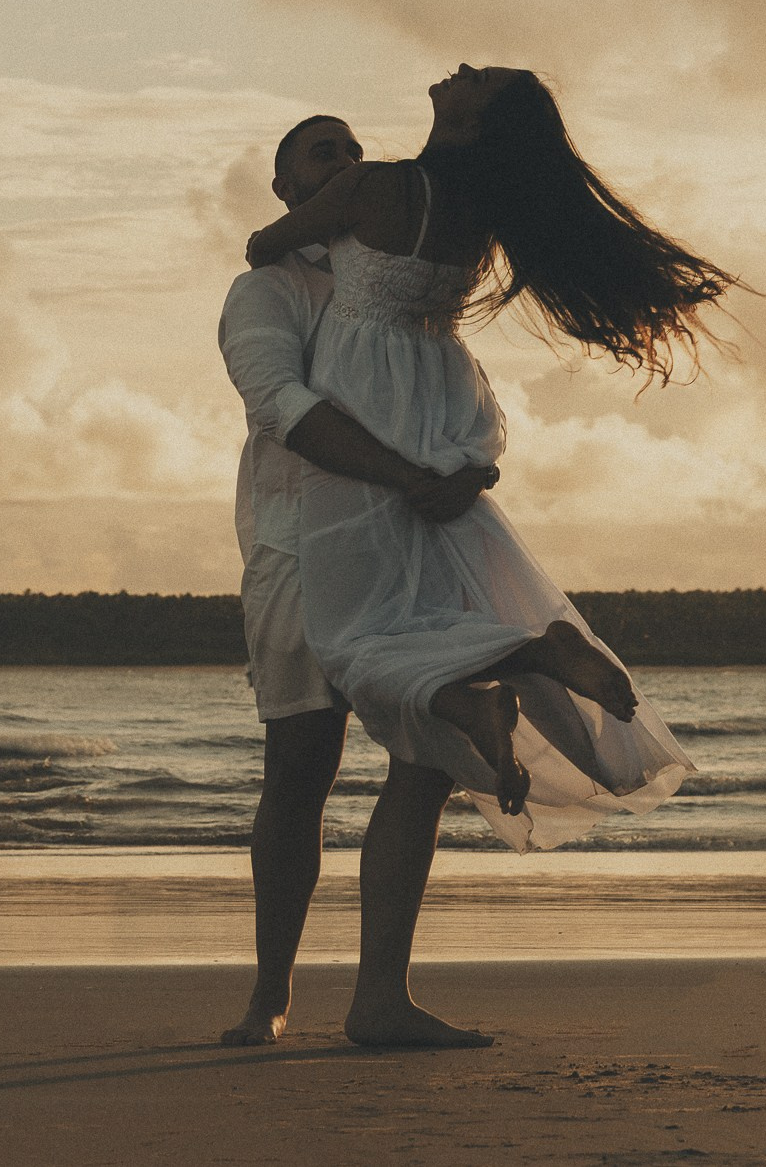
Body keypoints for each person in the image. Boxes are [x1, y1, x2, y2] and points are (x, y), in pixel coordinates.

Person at [242, 65, 737, 1046]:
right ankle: (380, 993)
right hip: (448, 427)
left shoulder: (376, 187)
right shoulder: (480, 216)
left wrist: (319, 216)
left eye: (479, 77)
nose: (459, 66)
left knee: (354, 642)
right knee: (421, 737)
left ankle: (509, 663)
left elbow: (263, 244)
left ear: (468, 117)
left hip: (366, 440)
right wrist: (463, 466)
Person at [215, 114, 500, 1048]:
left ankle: (382, 997)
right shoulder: (267, 290)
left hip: (409, 550)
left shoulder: (403, 286)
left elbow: (458, 393)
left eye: (351, 148)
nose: (346, 160)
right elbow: (285, 408)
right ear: (289, 187)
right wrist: (406, 473)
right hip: (300, 551)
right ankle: (269, 993)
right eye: (321, 150)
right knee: (301, 769)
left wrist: (466, 465)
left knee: (426, 754)